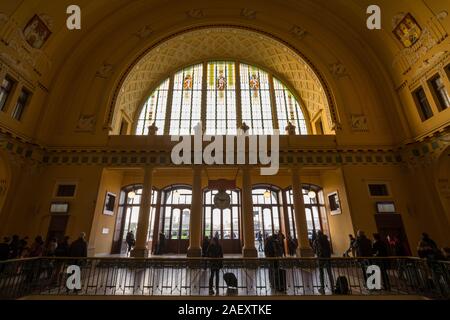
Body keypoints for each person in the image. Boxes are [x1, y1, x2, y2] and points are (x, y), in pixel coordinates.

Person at [313, 230, 334, 294]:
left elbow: (318, 249)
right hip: (327, 257)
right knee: (329, 273)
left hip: (321, 258)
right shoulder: (326, 240)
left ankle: (322, 288)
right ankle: (333, 287)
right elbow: (329, 249)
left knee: (321, 273)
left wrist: (319, 255)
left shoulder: (317, 240)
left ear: (318, 234)